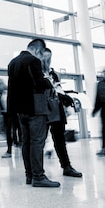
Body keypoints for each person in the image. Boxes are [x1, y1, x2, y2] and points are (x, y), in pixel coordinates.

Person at [7, 38, 59, 187]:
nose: (41, 57)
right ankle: (38, 176)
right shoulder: (33, 61)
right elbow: (39, 83)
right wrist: (49, 81)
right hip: (35, 108)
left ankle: (29, 175)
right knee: (37, 142)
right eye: (42, 54)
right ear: (38, 50)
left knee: (26, 142)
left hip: (20, 110)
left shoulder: (13, 62)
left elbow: (12, 89)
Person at [41, 49, 82, 178]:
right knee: (40, 140)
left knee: (59, 139)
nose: (47, 61)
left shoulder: (54, 74)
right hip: (43, 110)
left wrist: (65, 96)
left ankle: (66, 166)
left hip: (56, 110)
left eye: (49, 58)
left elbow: (58, 89)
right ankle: (37, 171)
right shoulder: (37, 74)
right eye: (45, 58)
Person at [0, 79, 13, 158]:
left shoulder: (10, 91)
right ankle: (9, 150)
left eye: (0, 84)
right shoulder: (0, 94)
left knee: (18, 132)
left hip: (13, 114)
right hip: (6, 115)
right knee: (8, 132)